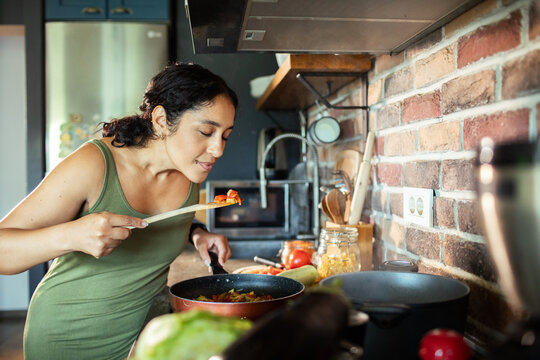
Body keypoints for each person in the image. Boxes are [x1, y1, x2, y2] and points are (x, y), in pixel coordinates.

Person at [0, 62, 237, 360]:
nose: (218, 149)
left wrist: (197, 232)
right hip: (69, 339)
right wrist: (72, 235)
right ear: (162, 120)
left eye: (225, 135)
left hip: (148, 337)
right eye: (206, 132)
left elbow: (155, 220)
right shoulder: (94, 163)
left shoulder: (188, 169)